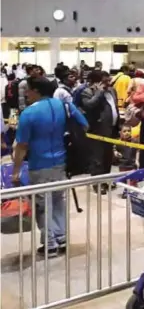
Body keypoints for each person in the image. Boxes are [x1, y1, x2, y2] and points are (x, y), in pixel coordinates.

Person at [12, 76, 88, 257]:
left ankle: (50, 244)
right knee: (57, 201)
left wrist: (16, 171)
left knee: (42, 205)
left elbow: (21, 146)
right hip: (61, 162)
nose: (25, 93)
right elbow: (84, 125)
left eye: (27, 90)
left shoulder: (29, 114)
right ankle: (61, 238)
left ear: (36, 91)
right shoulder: (62, 105)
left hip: (39, 165)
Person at [81, 71, 120, 194]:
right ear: (95, 82)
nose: (108, 83)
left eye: (109, 80)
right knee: (97, 158)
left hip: (111, 128)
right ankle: (97, 183)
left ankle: (106, 180)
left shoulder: (112, 90)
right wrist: (99, 93)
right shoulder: (87, 92)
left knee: (108, 156)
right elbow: (89, 105)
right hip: (97, 129)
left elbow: (115, 107)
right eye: (105, 81)